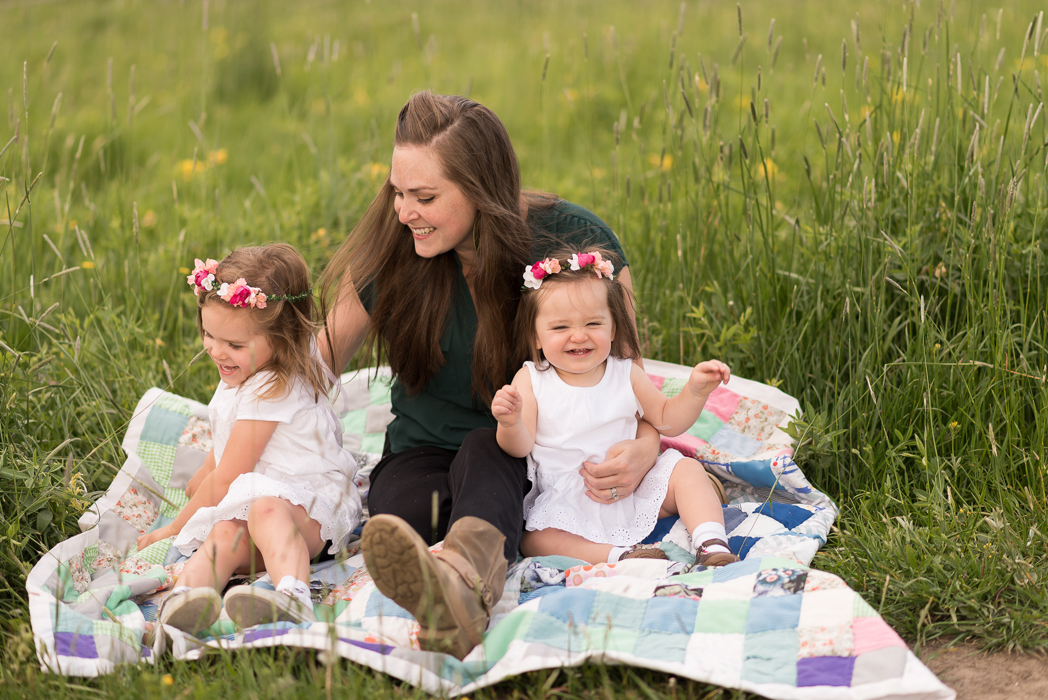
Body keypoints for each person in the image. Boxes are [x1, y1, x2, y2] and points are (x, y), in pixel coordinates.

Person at [317, 91, 662, 659]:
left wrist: (646, 449)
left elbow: (631, 381)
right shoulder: (397, 243)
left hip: (526, 452)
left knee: (486, 453)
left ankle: (459, 579)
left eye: (425, 196)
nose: (404, 212)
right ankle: (452, 585)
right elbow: (316, 363)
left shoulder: (572, 243)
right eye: (397, 192)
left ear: (481, 190)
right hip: (422, 447)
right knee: (398, 512)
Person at [137, 244, 361, 634]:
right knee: (224, 532)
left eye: (234, 345)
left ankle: (292, 594)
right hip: (258, 499)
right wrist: (206, 469)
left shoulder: (274, 386)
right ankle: (186, 602)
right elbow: (229, 443)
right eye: (208, 334)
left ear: (282, 338)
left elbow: (227, 477)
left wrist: (174, 529)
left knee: (265, 512)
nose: (215, 350)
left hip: (308, 510)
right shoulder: (245, 370)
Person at [492, 249, 739, 567]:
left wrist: (696, 390)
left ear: (613, 329)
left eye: (593, 323)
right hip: (568, 501)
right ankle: (621, 556)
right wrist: (510, 423)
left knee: (687, 471)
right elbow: (520, 446)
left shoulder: (625, 374)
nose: (578, 335)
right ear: (535, 336)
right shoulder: (531, 379)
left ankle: (711, 542)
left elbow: (667, 420)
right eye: (560, 328)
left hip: (635, 489)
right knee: (534, 539)